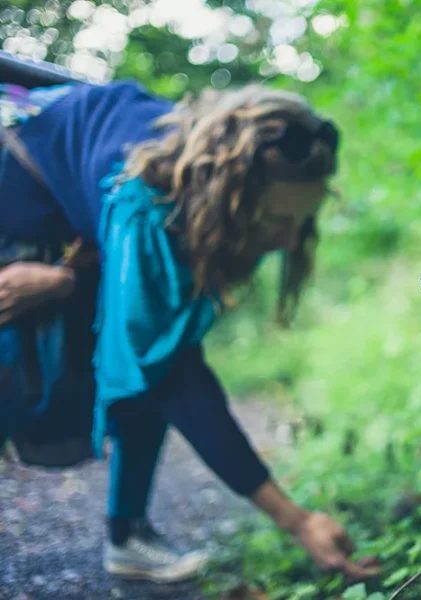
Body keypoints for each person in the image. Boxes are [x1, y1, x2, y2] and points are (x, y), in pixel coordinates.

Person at [0, 79, 380, 583]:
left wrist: (70, 280)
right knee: (94, 367)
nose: (290, 240)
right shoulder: (147, 202)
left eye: (300, 220)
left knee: (152, 349)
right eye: (277, 219)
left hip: (81, 227)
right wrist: (297, 520)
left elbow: (161, 346)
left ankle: (127, 534)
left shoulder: (207, 190)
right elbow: (178, 377)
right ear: (231, 197)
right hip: (21, 205)